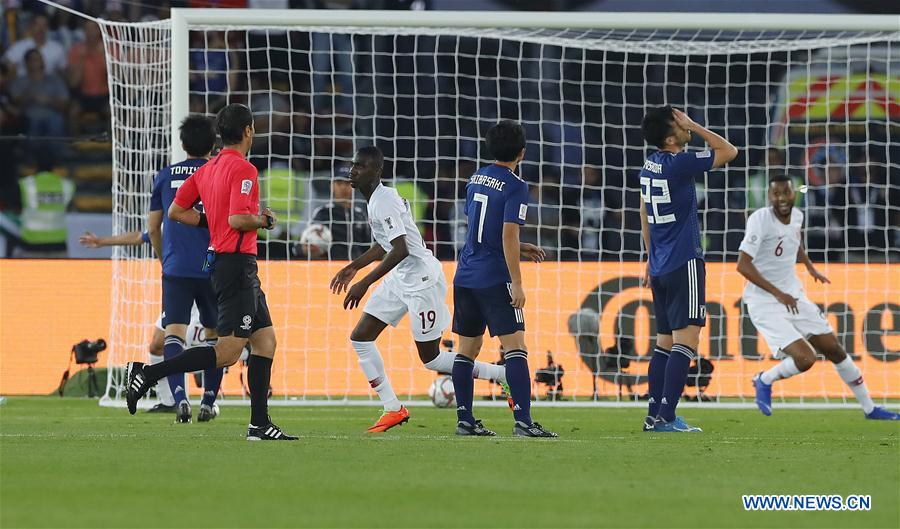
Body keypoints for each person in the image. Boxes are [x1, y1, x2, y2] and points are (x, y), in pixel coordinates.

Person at [124, 103, 296, 441]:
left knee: (265, 341)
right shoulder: (244, 170)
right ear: (249, 131)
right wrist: (266, 220)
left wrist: (209, 221)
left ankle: (259, 425)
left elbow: (176, 211)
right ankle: (146, 372)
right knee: (228, 351)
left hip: (228, 263)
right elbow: (237, 220)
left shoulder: (207, 169)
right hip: (236, 265)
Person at [329, 146, 512, 434]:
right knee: (361, 338)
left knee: (432, 359)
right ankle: (392, 408)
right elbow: (385, 244)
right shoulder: (376, 199)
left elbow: (400, 249)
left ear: (376, 172)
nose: (353, 170)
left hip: (421, 281)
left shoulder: (383, 202)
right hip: (401, 278)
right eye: (353, 165)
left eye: (360, 166)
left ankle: (503, 375)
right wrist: (355, 267)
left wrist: (364, 282)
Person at [738, 175, 899, 420]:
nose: (781, 198)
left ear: (794, 194)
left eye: (786, 192)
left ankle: (870, 408)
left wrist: (810, 267)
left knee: (834, 349)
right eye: (776, 194)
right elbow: (743, 266)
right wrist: (779, 294)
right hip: (764, 301)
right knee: (805, 358)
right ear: (770, 196)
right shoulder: (760, 219)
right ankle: (764, 379)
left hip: (793, 296)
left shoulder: (798, 216)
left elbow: (794, 241)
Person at [451, 120, 556, 437]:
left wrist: (518, 247)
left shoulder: (475, 177)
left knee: (466, 351)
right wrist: (518, 282)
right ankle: (524, 421)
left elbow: (481, 227)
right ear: (522, 153)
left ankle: (465, 419)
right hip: (495, 278)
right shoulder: (516, 185)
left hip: (465, 274)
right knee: (516, 349)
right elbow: (508, 234)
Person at [638, 106, 737, 433]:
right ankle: (667, 416)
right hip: (685, 262)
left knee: (663, 342)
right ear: (670, 138)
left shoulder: (648, 166)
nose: (684, 126)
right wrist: (696, 125)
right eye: (678, 125)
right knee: (686, 342)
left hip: (661, 265)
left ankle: (654, 414)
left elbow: (643, 210)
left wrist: (650, 258)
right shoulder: (679, 163)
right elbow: (729, 151)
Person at [147, 115, 224, 424]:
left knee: (173, 334)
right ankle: (208, 401)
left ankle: (180, 399)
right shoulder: (218, 173)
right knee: (215, 336)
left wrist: (163, 259)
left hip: (176, 268)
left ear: (182, 144)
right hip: (211, 265)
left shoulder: (165, 176)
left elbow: (154, 227)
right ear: (213, 144)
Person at [305, 167, 370, 260]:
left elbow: (367, 247)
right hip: (330, 265)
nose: (343, 187)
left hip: (356, 266)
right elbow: (311, 240)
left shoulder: (361, 215)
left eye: (347, 183)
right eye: (339, 183)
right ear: (332, 186)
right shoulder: (322, 213)